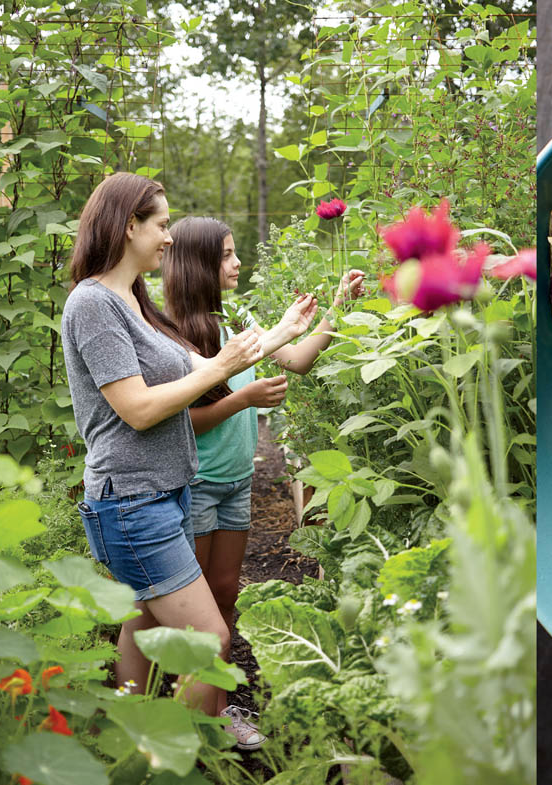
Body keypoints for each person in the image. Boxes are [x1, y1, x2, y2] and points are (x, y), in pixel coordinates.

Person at [60, 173, 316, 749]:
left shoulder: (132, 300)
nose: (169, 238)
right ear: (129, 226)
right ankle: (182, 755)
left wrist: (282, 334)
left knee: (145, 627)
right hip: (131, 502)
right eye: (161, 224)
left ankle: (128, 735)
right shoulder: (94, 305)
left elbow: (200, 368)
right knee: (208, 641)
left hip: (162, 495)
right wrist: (223, 374)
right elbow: (140, 409)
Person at [160, 215, 364, 748]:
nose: (236, 263)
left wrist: (338, 307)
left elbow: (295, 359)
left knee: (225, 592)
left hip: (234, 483)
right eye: (227, 255)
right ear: (200, 264)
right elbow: (183, 420)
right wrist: (243, 399)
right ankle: (194, 721)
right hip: (198, 483)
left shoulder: (240, 319)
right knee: (198, 606)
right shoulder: (172, 334)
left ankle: (218, 706)